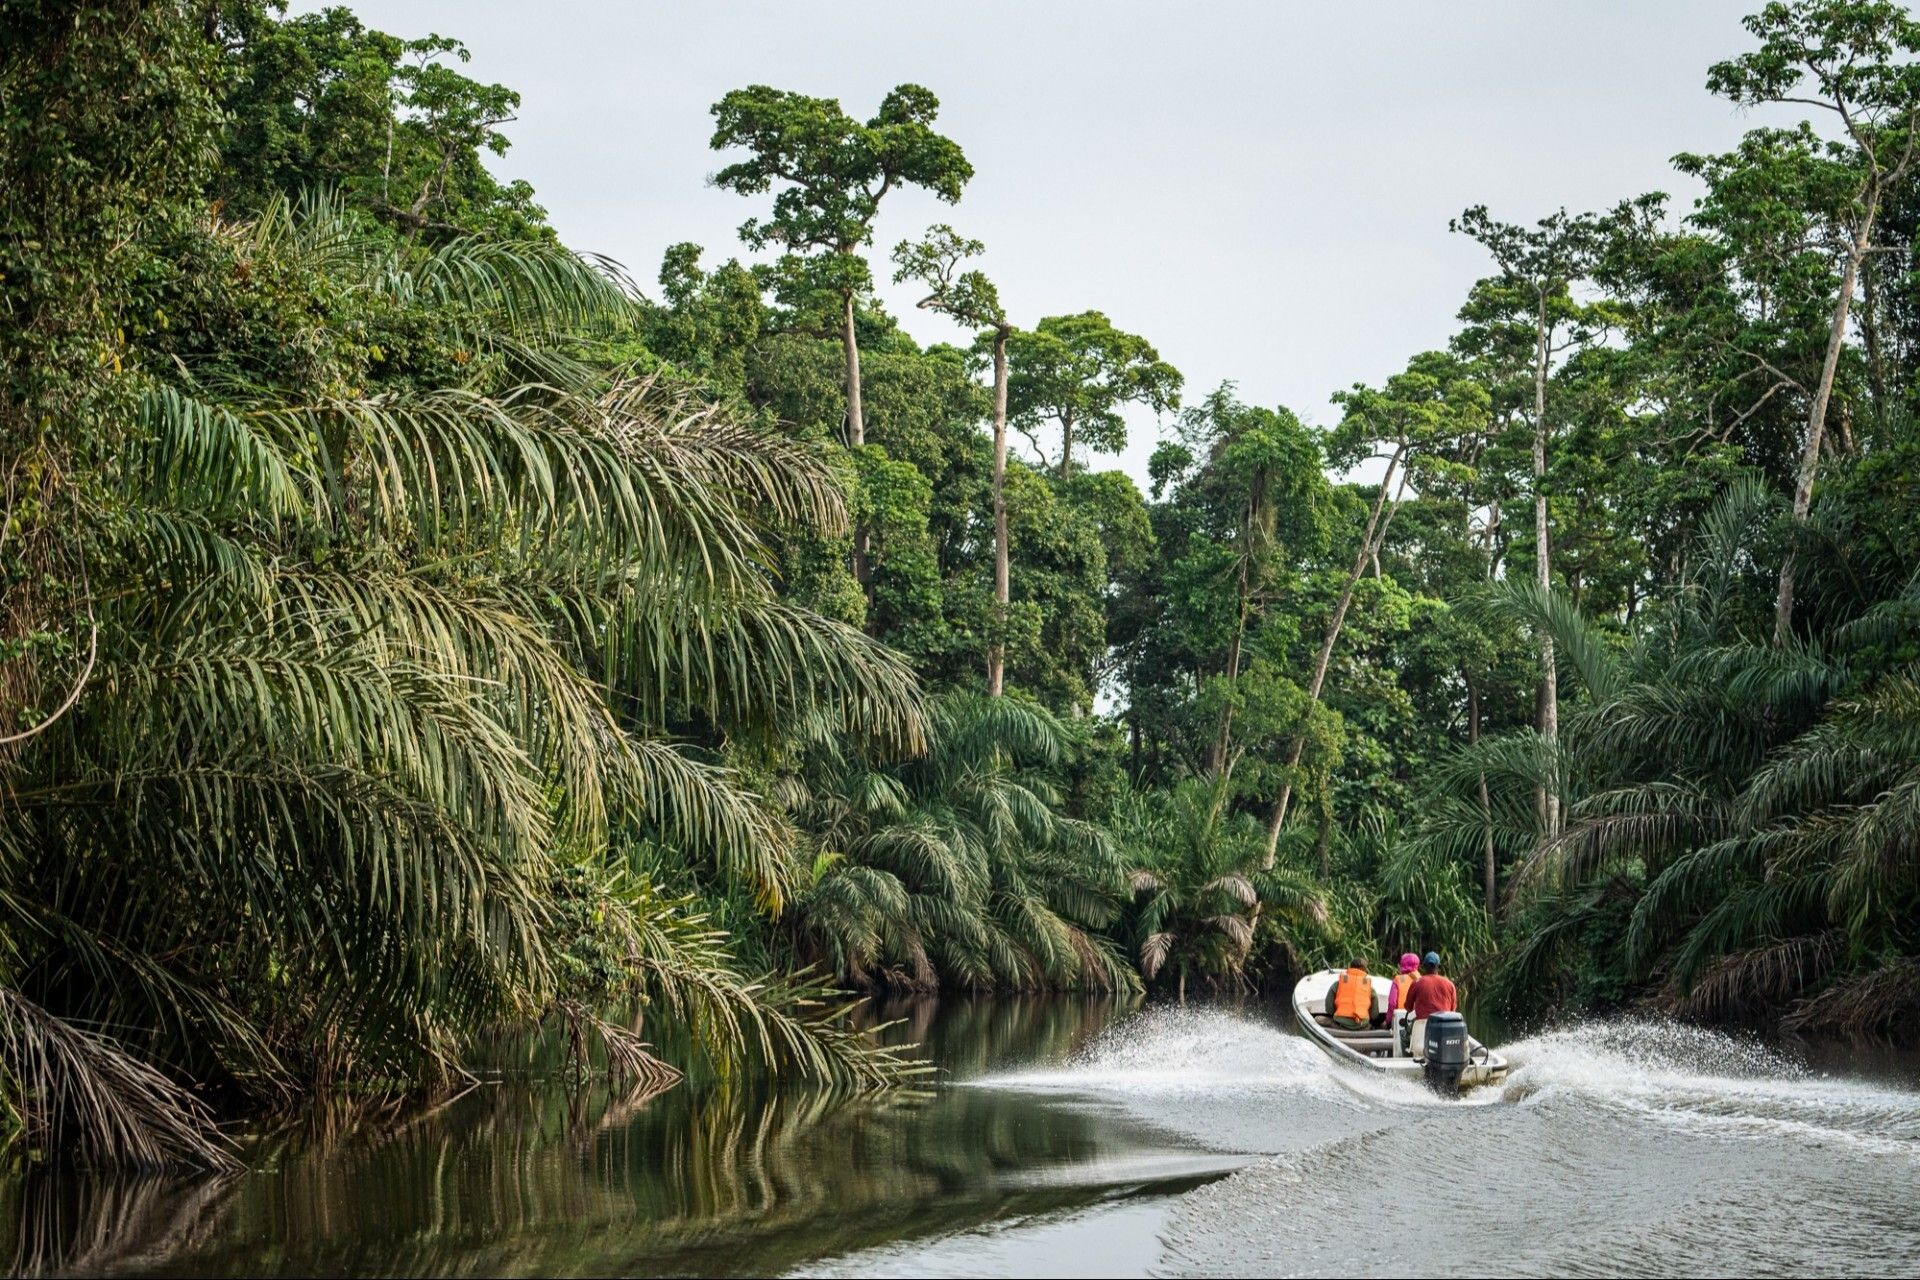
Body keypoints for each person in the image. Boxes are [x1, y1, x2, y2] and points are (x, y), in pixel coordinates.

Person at [1402, 951, 1458, 1059]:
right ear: (1438, 966)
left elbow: (1408, 1007)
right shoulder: (1450, 984)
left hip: (1423, 1026)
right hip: (1444, 1027)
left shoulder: (1417, 983)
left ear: (1424, 966)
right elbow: (1452, 1011)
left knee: (1408, 1034)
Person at [1323, 959, 1378, 1031]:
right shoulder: (1369, 987)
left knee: (1318, 1019)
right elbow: (1374, 1015)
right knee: (1377, 1025)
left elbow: (1329, 1008)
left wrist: (1335, 1014)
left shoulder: (1338, 984)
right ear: (1363, 969)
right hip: (1362, 1026)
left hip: (1341, 1024)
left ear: (1350, 967)